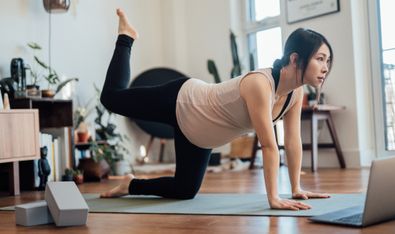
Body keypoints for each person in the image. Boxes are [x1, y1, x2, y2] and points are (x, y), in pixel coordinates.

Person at [100, 8, 332, 211]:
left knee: (185, 190)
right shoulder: (260, 84)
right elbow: (269, 145)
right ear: (295, 59)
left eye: (327, 61)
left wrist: (296, 188)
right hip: (183, 101)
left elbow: (292, 141)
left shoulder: (295, 92)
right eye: (320, 59)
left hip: (200, 136)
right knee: (111, 99)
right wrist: (273, 197)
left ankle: (130, 184)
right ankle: (126, 37)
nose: (325, 67)